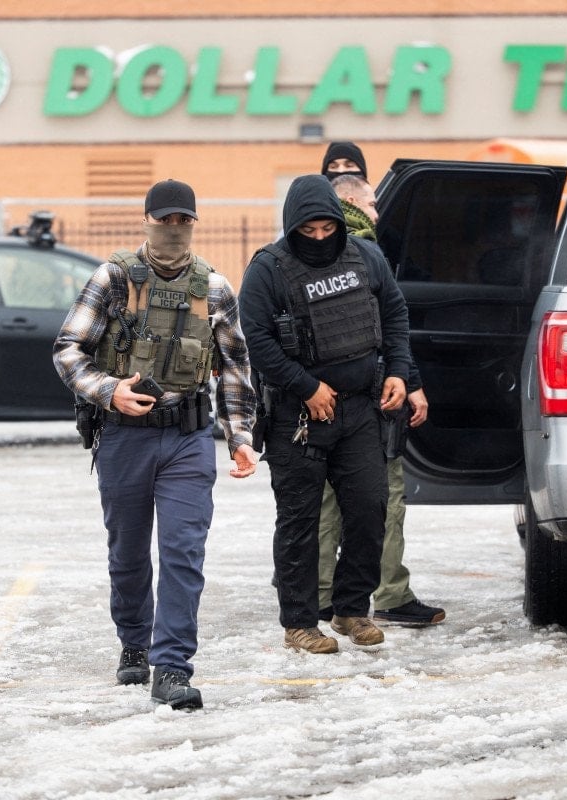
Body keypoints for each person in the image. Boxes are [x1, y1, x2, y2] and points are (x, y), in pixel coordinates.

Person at [53, 178, 258, 710]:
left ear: (193, 223)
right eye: (163, 220)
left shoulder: (214, 288)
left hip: (188, 438)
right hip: (124, 437)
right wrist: (109, 390)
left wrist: (240, 437)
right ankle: (134, 643)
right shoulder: (113, 279)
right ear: (146, 221)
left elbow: (235, 368)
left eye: (182, 220)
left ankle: (172, 667)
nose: (173, 229)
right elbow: (69, 348)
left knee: (183, 552)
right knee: (127, 552)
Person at [238, 173, 410, 654]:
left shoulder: (366, 256)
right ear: (293, 226)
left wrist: (399, 371)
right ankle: (298, 623)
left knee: (370, 507)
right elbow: (258, 342)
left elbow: (395, 314)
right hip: (297, 417)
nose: (318, 238)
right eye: (308, 231)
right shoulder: (268, 269)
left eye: (326, 229)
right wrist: (307, 386)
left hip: (360, 408)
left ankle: (351, 610)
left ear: (338, 222)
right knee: (300, 521)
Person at [318, 174, 445, 627]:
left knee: (327, 501)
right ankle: (390, 593)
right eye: (372, 204)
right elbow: (390, 326)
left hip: (323, 396)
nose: (376, 212)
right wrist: (409, 379)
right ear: (350, 201)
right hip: (372, 395)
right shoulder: (364, 249)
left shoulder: (304, 253)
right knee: (385, 497)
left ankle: (321, 593)